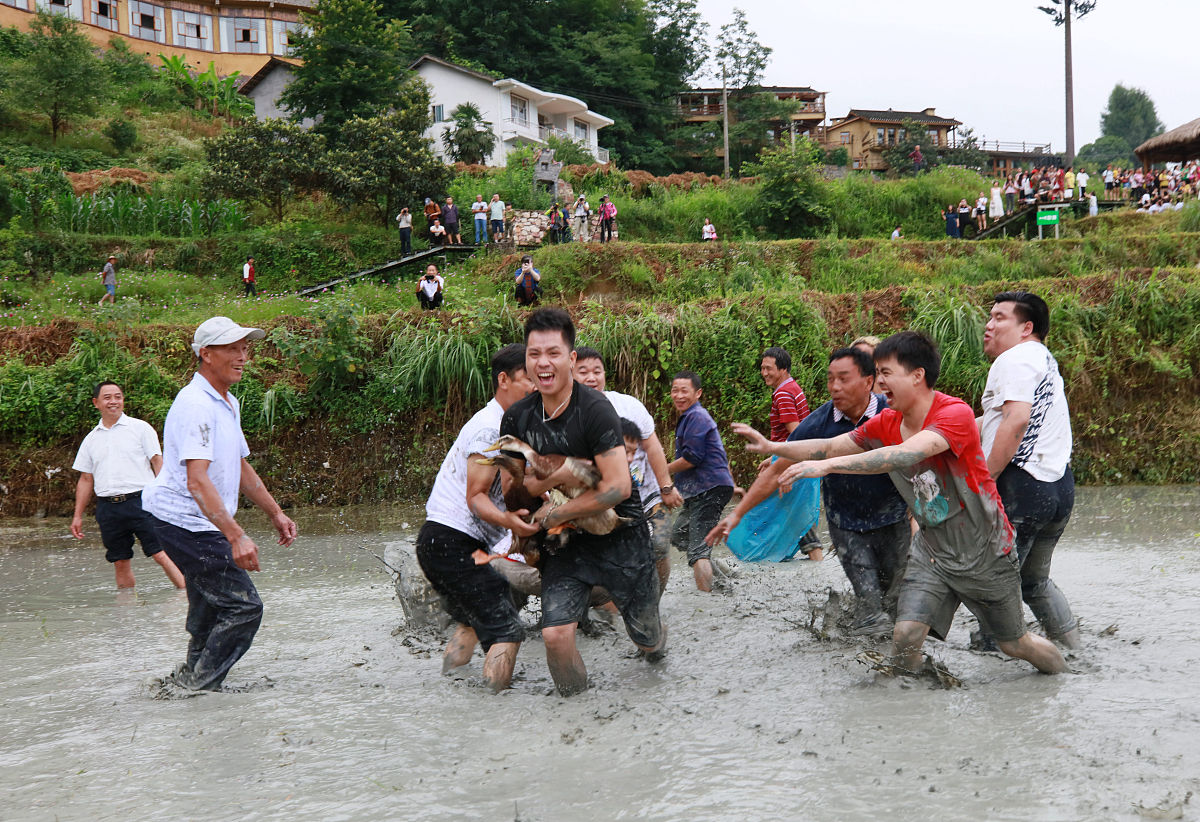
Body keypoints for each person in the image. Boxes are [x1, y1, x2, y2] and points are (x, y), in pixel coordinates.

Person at [744, 331, 1067, 677]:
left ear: (917, 375)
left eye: (885, 373)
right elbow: (832, 445)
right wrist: (773, 447)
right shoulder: (888, 421)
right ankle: (905, 704)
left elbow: (903, 454)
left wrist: (825, 467)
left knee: (1014, 644)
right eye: (877, 373)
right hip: (933, 551)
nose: (878, 382)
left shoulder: (953, 413)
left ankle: (1065, 678)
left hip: (986, 550)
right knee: (906, 633)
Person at [499, 308, 666, 695]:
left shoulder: (595, 410)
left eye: (553, 353)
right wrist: (527, 515)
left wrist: (555, 503)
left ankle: (659, 677)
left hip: (621, 537)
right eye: (534, 353)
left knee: (649, 641)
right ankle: (578, 715)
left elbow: (618, 487)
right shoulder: (517, 419)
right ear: (525, 358)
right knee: (555, 636)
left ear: (571, 359)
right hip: (564, 544)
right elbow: (512, 489)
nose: (543, 363)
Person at [143, 317, 298, 692]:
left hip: (199, 521)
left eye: (245, 348)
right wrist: (236, 536)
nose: (243, 356)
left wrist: (275, 512)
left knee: (211, 604)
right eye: (233, 348)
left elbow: (239, 465)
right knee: (244, 607)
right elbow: (197, 480)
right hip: (184, 521)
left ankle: (188, 677)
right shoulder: (196, 404)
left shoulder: (227, 402)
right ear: (206, 354)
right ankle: (200, 687)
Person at [709, 348, 910, 636]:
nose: (835, 387)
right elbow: (776, 470)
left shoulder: (892, 412)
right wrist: (737, 514)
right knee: (870, 608)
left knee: (897, 603)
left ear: (868, 381)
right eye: (830, 379)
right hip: (847, 526)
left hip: (894, 520)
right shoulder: (819, 423)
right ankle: (869, 667)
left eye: (843, 378)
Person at [416, 344, 537, 692]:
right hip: (453, 542)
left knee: (472, 622)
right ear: (504, 380)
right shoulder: (488, 429)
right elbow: (475, 497)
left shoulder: (509, 426)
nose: (535, 385)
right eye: (527, 378)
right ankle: (492, 711)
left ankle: (450, 685)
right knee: (507, 630)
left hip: (438, 541)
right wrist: (511, 522)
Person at [979, 292, 1080, 649]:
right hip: (1058, 487)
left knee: (994, 584)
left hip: (1023, 486)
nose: (989, 325)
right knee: (1033, 582)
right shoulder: (1044, 360)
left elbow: (1017, 419)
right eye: (989, 317)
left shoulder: (1015, 359)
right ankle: (1073, 650)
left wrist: (984, 480)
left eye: (999, 318)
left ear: (1026, 328)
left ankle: (991, 658)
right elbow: (999, 419)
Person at [573, 347, 684, 593]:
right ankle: (610, 610)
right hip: (606, 501)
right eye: (583, 372)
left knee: (659, 546)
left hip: (647, 495)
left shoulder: (627, 405)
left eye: (597, 371)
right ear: (570, 375)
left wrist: (666, 486)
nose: (592, 377)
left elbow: (653, 447)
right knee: (611, 559)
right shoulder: (569, 415)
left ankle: (654, 600)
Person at [70, 381, 185, 590]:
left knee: (161, 553)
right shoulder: (90, 440)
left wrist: (168, 498)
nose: (113, 401)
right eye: (107, 397)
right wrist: (77, 515)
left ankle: (187, 600)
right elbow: (86, 479)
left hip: (143, 501)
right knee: (120, 561)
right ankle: (125, 615)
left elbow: (158, 462)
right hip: (108, 507)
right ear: (96, 403)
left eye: (118, 396)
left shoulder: (140, 428)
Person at [668, 370, 735, 592]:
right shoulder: (691, 417)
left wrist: (661, 471)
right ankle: (724, 576)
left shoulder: (696, 416)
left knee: (697, 550)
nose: (678, 395)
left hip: (708, 489)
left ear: (698, 393)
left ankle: (705, 603)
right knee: (678, 535)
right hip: (702, 489)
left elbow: (692, 458)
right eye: (675, 390)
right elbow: (718, 455)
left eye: (684, 391)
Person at [759, 346, 822, 561]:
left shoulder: (783, 394)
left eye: (769, 369)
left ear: (783, 369)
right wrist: (773, 457)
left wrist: (785, 466)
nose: (764, 373)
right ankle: (805, 562)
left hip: (794, 459)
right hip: (797, 457)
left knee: (796, 513)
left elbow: (796, 434)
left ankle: (816, 560)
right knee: (792, 511)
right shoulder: (793, 387)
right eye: (762, 368)